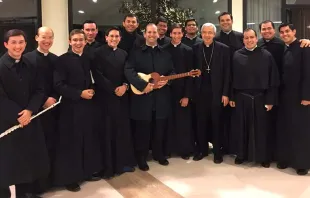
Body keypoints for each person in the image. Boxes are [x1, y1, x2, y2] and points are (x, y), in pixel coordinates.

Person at [0, 29, 49, 198]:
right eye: (13, 42)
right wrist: (19, 115)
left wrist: (30, 110)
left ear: (26, 44)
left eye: (21, 42)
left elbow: (39, 90)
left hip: (29, 119)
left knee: (27, 161)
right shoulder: (0, 66)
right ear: (6, 44)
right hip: (7, 123)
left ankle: (25, 194)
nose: (18, 46)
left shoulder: (30, 64)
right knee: (7, 164)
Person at [52, 29, 102, 192]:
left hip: (88, 106)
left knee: (87, 140)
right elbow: (58, 85)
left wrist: (92, 89)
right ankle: (70, 178)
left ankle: (86, 172)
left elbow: (93, 79)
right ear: (69, 41)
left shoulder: (89, 58)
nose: (78, 43)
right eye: (75, 40)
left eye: (81, 40)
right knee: (71, 143)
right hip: (70, 108)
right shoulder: (62, 60)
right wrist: (79, 93)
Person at [125, 23, 174, 171]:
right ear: (144, 34)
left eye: (155, 33)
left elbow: (172, 71)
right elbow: (128, 71)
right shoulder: (135, 52)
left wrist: (167, 81)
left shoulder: (165, 53)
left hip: (161, 98)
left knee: (159, 128)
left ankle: (159, 154)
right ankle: (141, 158)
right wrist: (142, 85)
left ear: (158, 35)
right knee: (143, 130)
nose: (152, 35)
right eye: (149, 33)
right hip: (142, 98)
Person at [230, 28, 279, 167]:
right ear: (243, 40)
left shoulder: (266, 55)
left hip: (261, 98)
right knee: (241, 128)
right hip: (241, 98)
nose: (249, 40)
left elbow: (273, 80)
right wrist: (232, 97)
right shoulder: (236, 55)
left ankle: (263, 157)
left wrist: (270, 100)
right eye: (246, 38)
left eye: (252, 37)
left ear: (256, 38)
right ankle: (241, 155)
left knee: (262, 129)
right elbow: (231, 78)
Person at [92, 27, 136, 178]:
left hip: (122, 97)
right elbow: (97, 75)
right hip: (104, 98)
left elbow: (128, 72)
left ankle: (122, 164)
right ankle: (107, 167)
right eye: (111, 36)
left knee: (121, 131)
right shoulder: (97, 53)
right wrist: (112, 89)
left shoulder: (124, 53)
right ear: (106, 37)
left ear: (120, 38)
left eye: (117, 36)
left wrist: (124, 86)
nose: (114, 38)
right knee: (107, 132)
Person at [23, 27, 59, 194]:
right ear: (36, 38)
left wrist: (53, 97)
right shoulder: (27, 59)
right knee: (36, 148)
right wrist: (43, 100)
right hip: (35, 110)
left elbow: (58, 82)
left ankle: (50, 182)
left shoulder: (56, 59)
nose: (47, 41)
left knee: (52, 145)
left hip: (53, 108)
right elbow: (27, 85)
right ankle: (34, 186)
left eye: (50, 37)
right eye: (44, 37)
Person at [192, 23, 230, 163]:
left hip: (217, 92)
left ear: (214, 34)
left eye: (210, 32)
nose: (207, 35)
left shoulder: (223, 49)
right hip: (201, 92)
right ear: (201, 34)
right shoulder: (195, 48)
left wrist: (226, 93)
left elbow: (228, 73)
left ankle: (217, 152)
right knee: (201, 122)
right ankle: (202, 150)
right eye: (205, 32)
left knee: (217, 123)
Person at [276, 23, 310, 175]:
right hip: (284, 96)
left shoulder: (304, 48)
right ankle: (286, 159)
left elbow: (308, 73)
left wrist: (306, 96)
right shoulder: (283, 48)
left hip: (299, 97)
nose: (284, 34)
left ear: (294, 31)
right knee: (285, 128)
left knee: (300, 131)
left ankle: (301, 163)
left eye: (287, 31)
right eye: (282, 32)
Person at [163, 23, 194, 160]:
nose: (176, 36)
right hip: (166, 91)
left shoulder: (188, 50)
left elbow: (191, 75)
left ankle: (184, 150)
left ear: (183, 34)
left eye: (179, 33)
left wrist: (187, 95)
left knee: (183, 123)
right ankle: (168, 149)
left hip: (182, 91)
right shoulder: (163, 50)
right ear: (170, 34)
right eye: (174, 33)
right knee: (168, 122)